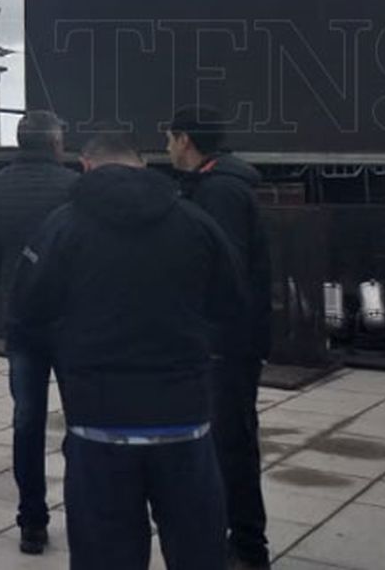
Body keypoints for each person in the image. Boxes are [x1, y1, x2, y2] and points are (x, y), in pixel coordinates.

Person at [12, 128, 245, 570]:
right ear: (142, 164)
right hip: (184, 420)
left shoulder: (62, 226)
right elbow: (233, 303)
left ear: (86, 166)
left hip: (97, 424)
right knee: (199, 554)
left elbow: (25, 311)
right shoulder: (195, 223)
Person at [167, 107, 273, 570]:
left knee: (229, 442)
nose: (167, 147)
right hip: (225, 340)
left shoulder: (219, 193)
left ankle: (247, 548)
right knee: (223, 441)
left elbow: (218, 271)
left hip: (223, 344)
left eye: (169, 138)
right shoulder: (216, 187)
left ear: (185, 140)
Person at [0, 111, 78, 555]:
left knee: (27, 421)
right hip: (74, 321)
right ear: (55, 144)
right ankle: (86, 506)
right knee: (84, 421)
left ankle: (32, 522)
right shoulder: (76, 187)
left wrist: (9, 298)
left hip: (23, 321)